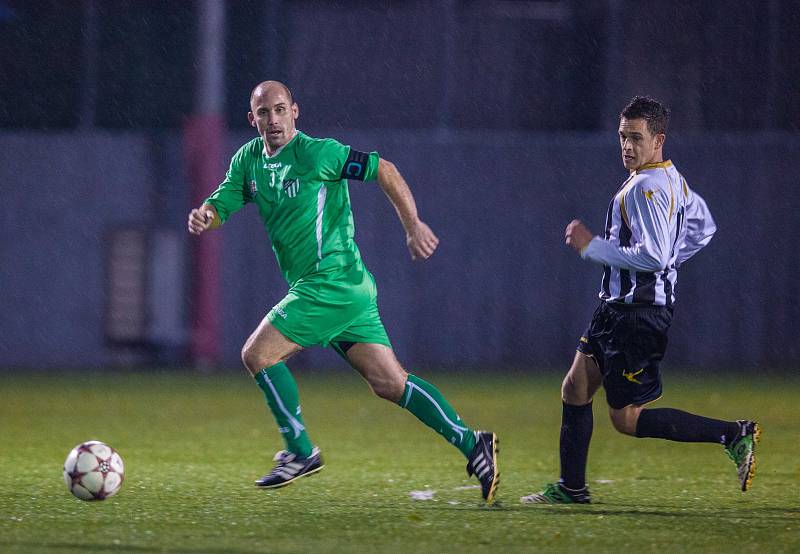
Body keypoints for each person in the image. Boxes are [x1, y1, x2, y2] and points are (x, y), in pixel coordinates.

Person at [187, 81, 499, 503]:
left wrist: (413, 225)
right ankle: (472, 443)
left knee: (257, 355)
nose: (273, 120)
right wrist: (206, 215)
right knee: (390, 383)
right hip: (341, 290)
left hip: (329, 283)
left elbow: (383, 169)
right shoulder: (249, 161)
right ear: (252, 119)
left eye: (281, 110)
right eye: (264, 113)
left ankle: (299, 452)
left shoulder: (319, 153)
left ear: (295, 111)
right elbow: (222, 202)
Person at [521, 96, 760, 505]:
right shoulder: (671, 179)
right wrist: (668, 263)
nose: (627, 146)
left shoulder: (648, 188)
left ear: (659, 139)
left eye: (636, 137)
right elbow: (704, 228)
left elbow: (654, 256)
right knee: (575, 388)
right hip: (615, 309)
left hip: (636, 317)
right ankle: (572, 488)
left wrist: (592, 248)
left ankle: (733, 434)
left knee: (626, 420)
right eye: (622, 137)